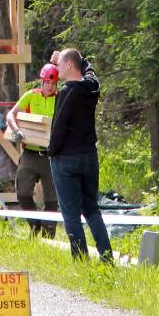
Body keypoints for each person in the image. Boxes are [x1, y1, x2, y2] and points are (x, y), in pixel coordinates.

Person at [47, 47, 111, 261]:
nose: (56, 68)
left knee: (71, 214)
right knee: (92, 208)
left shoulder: (68, 91)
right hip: (89, 157)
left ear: (69, 65)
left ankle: (81, 259)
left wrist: (51, 152)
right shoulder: (92, 87)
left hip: (66, 159)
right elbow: (91, 73)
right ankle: (107, 256)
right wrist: (81, 60)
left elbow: (59, 127)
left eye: (60, 64)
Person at [5, 62, 60, 234]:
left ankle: (48, 234)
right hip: (30, 153)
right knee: (22, 193)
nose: (50, 86)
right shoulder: (31, 96)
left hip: (51, 156)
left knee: (52, 199)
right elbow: (10, 115)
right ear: (41, 81)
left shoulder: (60, 99)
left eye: (53, 83)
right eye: (47, 82)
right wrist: (16, 130)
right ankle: (35, 224)